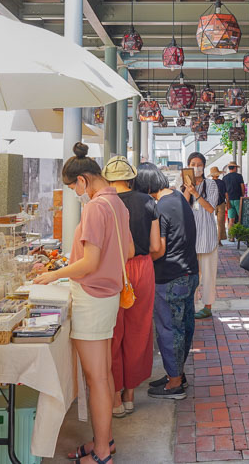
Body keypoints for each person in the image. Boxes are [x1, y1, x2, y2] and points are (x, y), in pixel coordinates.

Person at [32, 143, 132, 464]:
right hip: (108, 296)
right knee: (102, 374)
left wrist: (54, 275)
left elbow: (89, 262)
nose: (76, 194)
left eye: (74, 187)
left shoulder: (95, 207)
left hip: (91, 297)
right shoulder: (118, 203)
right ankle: (105, 442)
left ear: (83, 181)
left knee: (97, 379)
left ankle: (102, 453)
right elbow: (127, 251)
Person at [102, 156, 160, 418]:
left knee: (113, 332)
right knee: (139, 331)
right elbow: (157, 246)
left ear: (107, 179)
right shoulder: (148, 201)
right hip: (143, 267)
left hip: (113, 268)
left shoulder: (102, 203)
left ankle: (114, 398)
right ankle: (129, 396)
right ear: (131, 177)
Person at [136, 162, 199, 400]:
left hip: (169, 276)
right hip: (189, 273)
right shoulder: (179, 197)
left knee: (169, 330)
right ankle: (177, 374)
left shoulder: (159, 207)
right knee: (183, 326)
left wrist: (139, 255)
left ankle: (174, 384)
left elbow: (158, 249)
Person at [182, 152, 219, 320]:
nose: (196, 167)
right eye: (192, 164)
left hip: (207, 235)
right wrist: (188, 189)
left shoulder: (210, 185)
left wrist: (196, 193)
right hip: (190, 235)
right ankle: (192, 304)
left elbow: (211, 208)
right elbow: (182, 206)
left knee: (209, 273)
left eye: (199, 164)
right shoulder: (182, 184)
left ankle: (208, 306)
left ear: (204, 166)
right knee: (191, 273)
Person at [222, 162, 244, 230]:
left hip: (229, 200)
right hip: (238, 199)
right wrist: (242, 196)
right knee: (241, 218)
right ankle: (240, 235)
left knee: (231, 220)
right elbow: (242, 187)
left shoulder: (224, 178)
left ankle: (231, 237)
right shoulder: (239, 176)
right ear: (235, 168)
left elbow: (224, 190)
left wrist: (226, 200)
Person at [210, 166, 228, 242]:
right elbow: (226, 194)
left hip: (211, 204)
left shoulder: (209, 183)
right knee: (220, 223)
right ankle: (219, 240)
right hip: (221, 203)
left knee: (210, 222)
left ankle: (211, 239)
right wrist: (228, 203)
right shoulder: (221, 182)